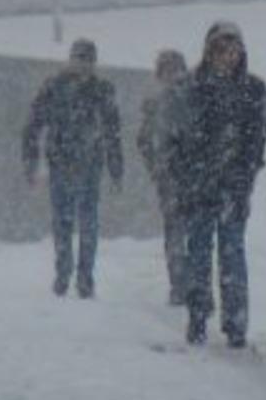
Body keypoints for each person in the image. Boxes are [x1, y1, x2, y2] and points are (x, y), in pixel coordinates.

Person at [180, 22, 266, 348]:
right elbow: (179, 138)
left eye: (233, 51)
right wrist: (188, 177)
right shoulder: (191, 87)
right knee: (199, 253)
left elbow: (256, 138)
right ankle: (198, 317)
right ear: (209, 52)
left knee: (232, 253)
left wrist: (245, 174)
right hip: (200, 185)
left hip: (234, 184)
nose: (228, 58)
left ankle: (236, 322)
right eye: (221, 51)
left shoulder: (253, 89)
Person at [22, 38, 124, 299]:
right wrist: (31, 162)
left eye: (88, 59)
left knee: (86, 223)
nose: (83, 64)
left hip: (89, 164)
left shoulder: (101, 89)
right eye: (79, 58)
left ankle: (84, 277)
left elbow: (113, 131)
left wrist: (115, 167)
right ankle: (64, 273)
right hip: (62, 163)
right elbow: (34, 126)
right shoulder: (54, 87)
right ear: (71, 59)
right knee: (64, 222)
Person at [137, 50, 191, 306]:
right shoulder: (155, 105)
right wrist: (157, 169)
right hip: (170, 179)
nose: (171, 76)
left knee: (191, 234)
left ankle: (190, 283)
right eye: (166, 71)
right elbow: (144, 141)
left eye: (174, 69)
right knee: (176, 233)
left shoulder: (193, 98)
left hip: (192, 177)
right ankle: (179, 285)